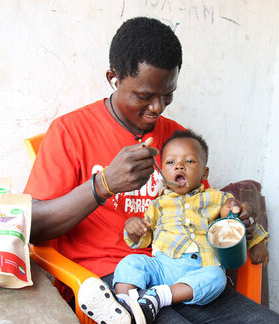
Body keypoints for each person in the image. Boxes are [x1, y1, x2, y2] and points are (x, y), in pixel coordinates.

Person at [24, 17, 279, 324]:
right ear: (114, 78)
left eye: (167, 95)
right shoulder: (70, 131)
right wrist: (102, 185)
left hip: (185, 273)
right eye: (145, 96)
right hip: (113, 282)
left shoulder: (178, 141)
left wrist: (235, 219)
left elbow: (205, 211)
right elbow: (32, 225)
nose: (158, 108)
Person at [79, 130, 268, 324]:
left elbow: (238, 223)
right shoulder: (158, 205)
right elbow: (145, 238)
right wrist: (133, 228)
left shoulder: (218, 198)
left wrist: (257, 243)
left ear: (205, 172)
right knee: (131, 262)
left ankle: (157, 297)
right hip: (164, 267)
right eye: (170, 162)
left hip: (200, 269)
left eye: (189, 161)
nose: (179, 165)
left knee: (216, 277)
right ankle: (122, 306)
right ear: (162, 172)